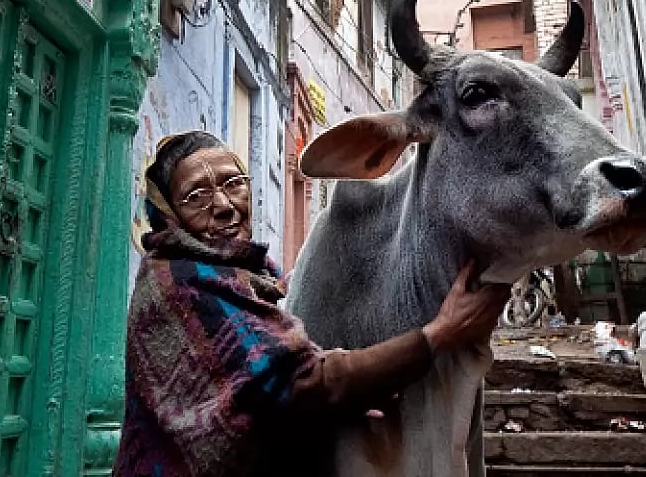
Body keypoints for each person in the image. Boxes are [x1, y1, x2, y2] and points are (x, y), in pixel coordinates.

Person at [112, 130, 512, 477]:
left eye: (233, 182)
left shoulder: (253, 277)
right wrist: (440, 333)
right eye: (196, 195)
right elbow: (298, 384)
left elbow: (276, 385)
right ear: (168, 218)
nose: (223, 205)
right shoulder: (179, 284)